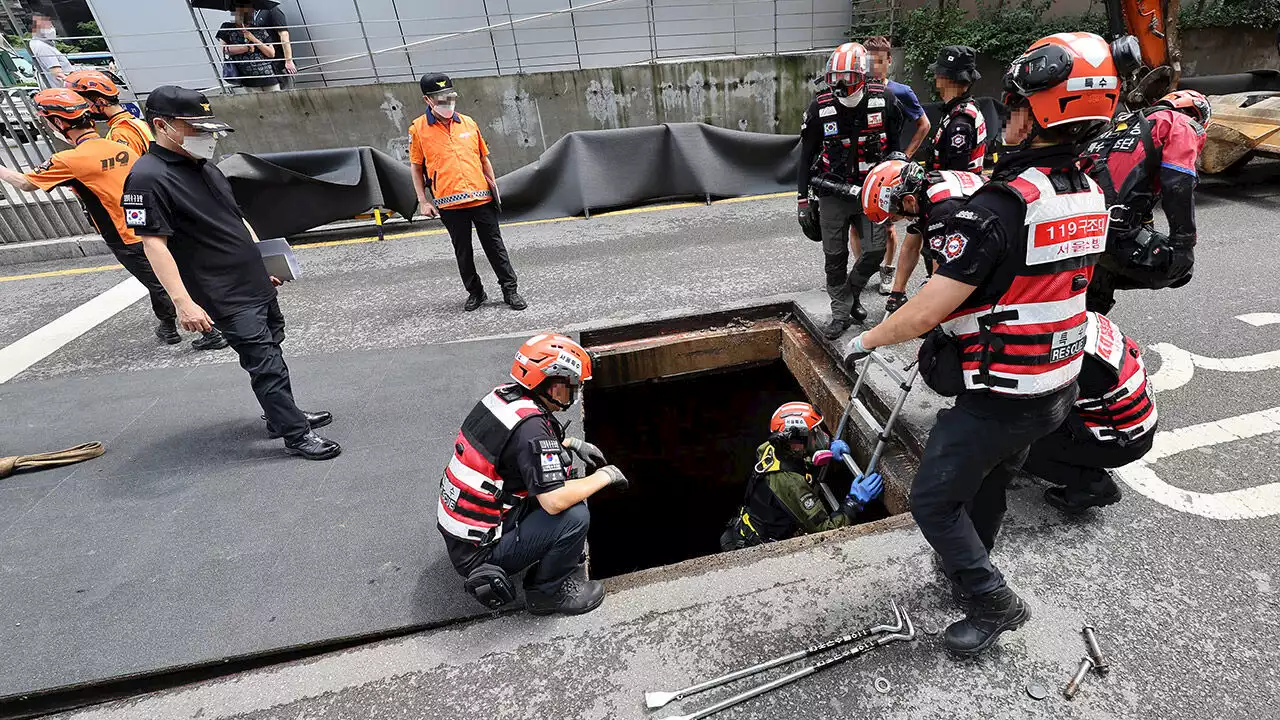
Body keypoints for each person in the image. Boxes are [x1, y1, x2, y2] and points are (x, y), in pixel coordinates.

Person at [842, 33, 1118, 656]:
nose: (1007, 115)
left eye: (1015, 104)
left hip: (1003, 390)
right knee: (992, 481)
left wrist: (868, 338)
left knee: (933, 500)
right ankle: (974, 561)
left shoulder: (1003, 206)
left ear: (1040, 113)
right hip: (1058, 379)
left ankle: (994, 600)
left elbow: (924, 314)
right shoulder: (1089, 192)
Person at [122, 85, 339, 460]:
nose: (207, 137)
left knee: (273, 343)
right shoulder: (147, 178)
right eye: (197, 128)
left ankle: (279, 415)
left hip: (252, 279)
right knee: (263, 361)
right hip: (221, 289)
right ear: (162, 125)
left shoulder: (203, 166)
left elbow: (234, 218)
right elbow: (153, 245)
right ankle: (294, 434)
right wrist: (183, 304)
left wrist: (264, 262)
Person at [0, 88, 224, 351]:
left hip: (124, 233)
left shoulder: (68, 159)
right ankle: (167, 325)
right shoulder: (118, 146)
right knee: (164, 277)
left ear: (58, 123)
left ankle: (212, 331)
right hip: (156, 220)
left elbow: (25, 184)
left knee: (162, 283)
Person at [438, 334, 629, 615]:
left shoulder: (503, 397)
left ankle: (545, 555)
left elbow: (516, 447)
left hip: (463, 536)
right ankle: (548, 593)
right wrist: (606, 476)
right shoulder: (531, 430)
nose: (574, 394)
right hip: (481, 553)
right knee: (573, 513)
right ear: (548, 383)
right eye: (570, 386)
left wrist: (574, 444)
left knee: (560, 478)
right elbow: (553, 501)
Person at [798, 42, 905, 339]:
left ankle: (850, 293)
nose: (840, 84)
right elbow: (806, 156)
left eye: (846, 77)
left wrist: (897, 196)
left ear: (861, 74)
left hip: (873, 192)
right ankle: (840, 314)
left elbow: (897, 150)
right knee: (834, 257)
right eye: (834, 78)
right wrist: (802, 199)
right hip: (832, 194)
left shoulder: (884, 99)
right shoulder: (820, 106)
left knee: (876, 250)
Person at [1080, 89, 1208, 314]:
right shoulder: (1180, 123)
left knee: (1092, 294)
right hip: (1115, 231)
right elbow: (1178, 183)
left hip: (1079, 225)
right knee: (1179, 268)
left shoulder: (1117, 125)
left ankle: (1089, 315)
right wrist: (1183, 245)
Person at [411, 72, 525, 312]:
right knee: (463, 252)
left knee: (495, 247)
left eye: (449, 96)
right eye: (439, 97)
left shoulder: (469, 123)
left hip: (481, 199)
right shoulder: (418, 130)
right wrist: (423, 201)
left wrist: (495, 190)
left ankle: (510, 290)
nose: (446, 102)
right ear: (427, 100)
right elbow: (416, 167)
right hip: (449, 204)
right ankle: (476, 293)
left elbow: (484, 159)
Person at [1023, 312, 1157, 513]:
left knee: (1015, 444)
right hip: (1132, 424)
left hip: (1120, 441)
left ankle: (1093, 485)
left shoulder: (1066, 354)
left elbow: (1037, 410)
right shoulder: (1076, 316)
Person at [720, 402, 882, 550]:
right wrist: (854, 501)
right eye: (814, 434)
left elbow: (794, 460)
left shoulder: (769, 448)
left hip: (742, 530)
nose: (821, 437)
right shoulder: (793, 485)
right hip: (755, 549)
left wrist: (823, 451)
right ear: (796, 442)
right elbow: (826, 530)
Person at [860, 159, 986, 315]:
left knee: (946, 294)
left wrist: (927, 310)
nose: (893, 220)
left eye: (893, 216)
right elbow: (910, 246)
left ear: (908, 201)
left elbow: (942, 273)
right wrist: (897, 294)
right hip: (977, 216)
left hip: (996, 234)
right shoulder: (921, 188)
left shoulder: (940, 211)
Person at [865, 36, 932, 297]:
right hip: (863, 169)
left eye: (880, 61)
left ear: (889, 61)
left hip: (890, 169)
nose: (874, 67)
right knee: (859, 223)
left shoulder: (900, 92)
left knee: (887, 224)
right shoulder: (859, 91)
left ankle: (887, 270)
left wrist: (903, 157)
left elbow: (924, 125)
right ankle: (866, 268)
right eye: (870, 61)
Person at [63, 69, 154, 157]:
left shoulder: (120, 133)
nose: (83, 109)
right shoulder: (137, 123)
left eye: (83, 103)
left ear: (101, 102)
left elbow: (125, 170)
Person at [928, 46, 988, 173]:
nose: (935, 76)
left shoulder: (960, 123)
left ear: (947, 79)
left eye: (938, 73)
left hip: (954, 190)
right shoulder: (963, 109)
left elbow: (956, 175)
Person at [216, 1, 280, 93]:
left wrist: (253, 39)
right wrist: (246, 48)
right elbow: (224, 49)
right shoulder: (227, 29)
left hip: (268, 75)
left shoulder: (259, 30)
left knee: (277, 103)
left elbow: (271, 53)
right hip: (248, 77)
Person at [27, 13, 74, 88]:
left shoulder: (44, 43)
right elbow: (58, 74)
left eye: (50, 25)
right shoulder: (42, 47)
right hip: (64, 90)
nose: (51, 28)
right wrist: (75, 84)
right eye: (45, 25)